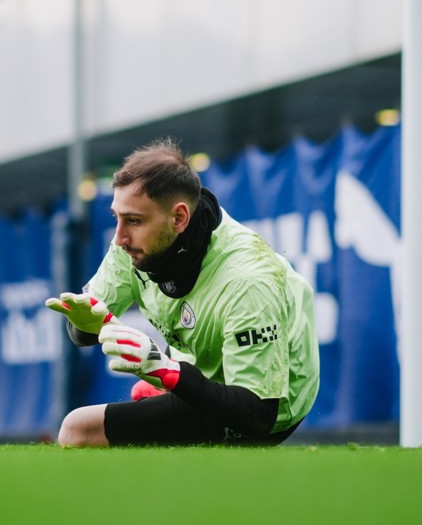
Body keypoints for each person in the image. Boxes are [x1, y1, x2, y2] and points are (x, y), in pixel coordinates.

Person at [46, 137, 319, 447]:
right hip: (200, 370)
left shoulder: (248, 280)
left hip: (269, 406)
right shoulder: (133, 244)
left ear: (178, 218)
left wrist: (169, 375)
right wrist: (88, 324)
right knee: (143, 402)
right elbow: (81, 335)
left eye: (133, 221)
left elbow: (258, 415)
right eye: (117, 218)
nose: (120, 237)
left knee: (76, 429)